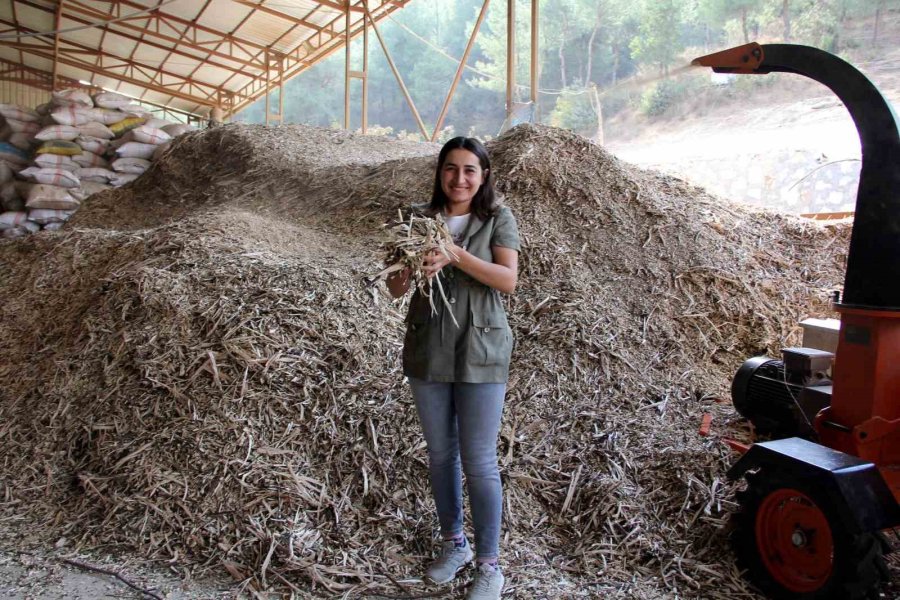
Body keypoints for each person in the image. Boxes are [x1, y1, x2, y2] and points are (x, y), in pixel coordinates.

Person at [386, 137, 520, 600]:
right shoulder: (415, 217)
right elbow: (393, 289)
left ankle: (489, 563)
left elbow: (508, 280)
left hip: (482, 349)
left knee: (480, 460)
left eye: (469, 170)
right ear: (439, 172)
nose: (459, 179)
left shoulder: (497, 218)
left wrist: (454, 254)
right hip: (429, 348)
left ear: (483, 176)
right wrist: (412, 266)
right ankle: (454, 544)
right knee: (441, 454)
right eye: (450, 168)